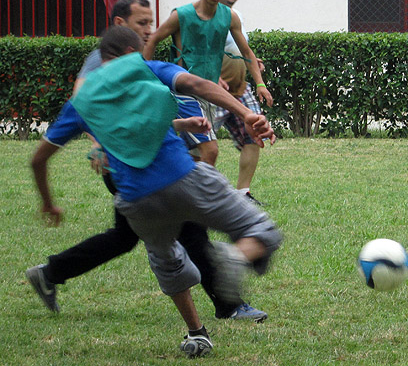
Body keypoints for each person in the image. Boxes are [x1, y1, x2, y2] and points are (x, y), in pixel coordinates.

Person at [31, 25, 283, 358]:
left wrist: (49, 203)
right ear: (130, 53)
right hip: (184, 177)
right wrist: (247, 112)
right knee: (261, 230)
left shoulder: (85, 100)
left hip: (137, 200)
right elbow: (195, 84)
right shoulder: (144, 67)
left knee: (170, 265)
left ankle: (197, 334)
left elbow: (41, 158)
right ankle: (235, 257)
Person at [142, 0, 273, 166]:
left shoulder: (230, 17)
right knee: (210, 151)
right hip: (184, 93)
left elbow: (246, 52)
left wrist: (260, 84)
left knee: (195, 154)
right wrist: (144, 80)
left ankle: (182, 192)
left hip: (210, 93)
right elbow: (154, 39)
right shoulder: (181, 15)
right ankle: (203, 196)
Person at [212, 0, 267, 206]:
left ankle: (242, 194)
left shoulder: (237, 17)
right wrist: (212, 77)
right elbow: (197, 54)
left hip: (240, 89)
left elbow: (244, 51)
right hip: (211, 93)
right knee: (200, 147)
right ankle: (196, 195)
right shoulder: (206, 18)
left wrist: (259, 82)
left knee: (254, 136)